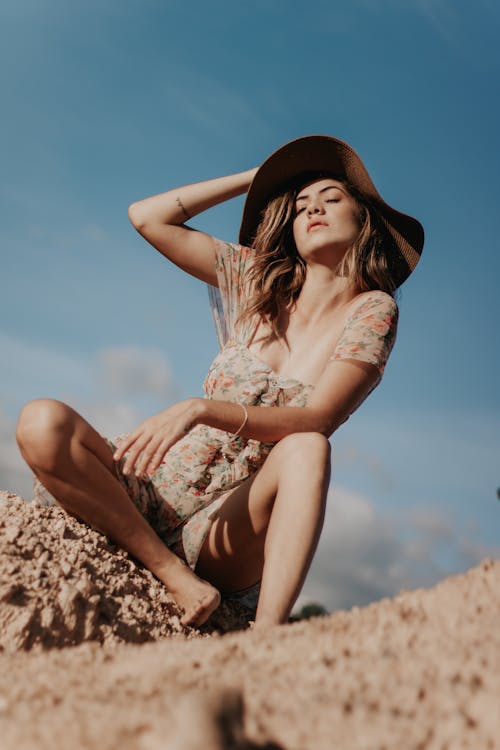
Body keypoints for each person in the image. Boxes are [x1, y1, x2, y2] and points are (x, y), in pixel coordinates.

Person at [16, 136, 424, 630]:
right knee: (41, 422)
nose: (313, 208)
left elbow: (317, 419)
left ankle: (266, 640)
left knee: (308, 448)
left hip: (224, 527)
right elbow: (147, 217)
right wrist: (258, 177)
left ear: (363, 219)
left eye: (331, 199)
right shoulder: (257, 281)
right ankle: (170, 573)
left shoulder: (373, 309)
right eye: (300, 206)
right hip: (150, 488)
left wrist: (201, 408)